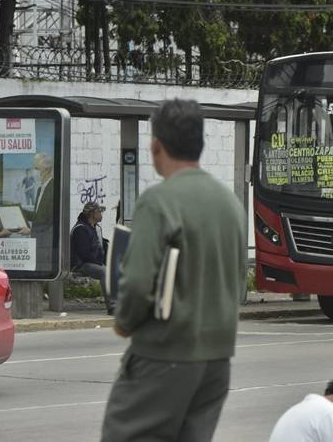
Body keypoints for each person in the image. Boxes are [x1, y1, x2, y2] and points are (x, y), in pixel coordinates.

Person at [100, 99, 247, 442]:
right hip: (217, 360)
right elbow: (238, 280)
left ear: (156, 146)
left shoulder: (158, 201)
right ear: (200, 143)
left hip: (165, 353)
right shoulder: (230, 204)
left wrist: (124, 322)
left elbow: (137, 282)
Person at [71, 202, 113, 315]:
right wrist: (100, 263)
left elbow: (101, 247)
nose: (101, 214)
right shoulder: (81, 229)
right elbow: (84, 254)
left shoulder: (95, 228)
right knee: (104, 272)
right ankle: (112, 306)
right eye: (99, 211)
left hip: (94, 262)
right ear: (92, 213)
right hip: (81, 264)